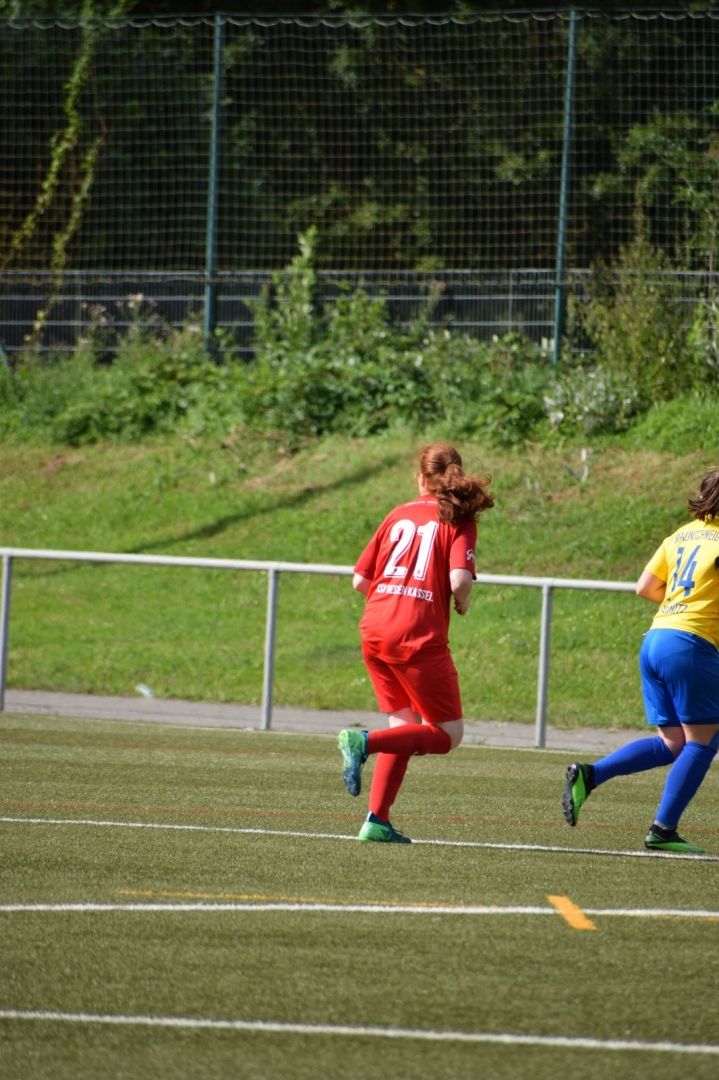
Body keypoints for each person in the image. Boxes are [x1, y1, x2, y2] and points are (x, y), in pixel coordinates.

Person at [338, 442, 494, 843]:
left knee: (404, 728)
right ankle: (363, 741)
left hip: (374, 628)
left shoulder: (398, 513)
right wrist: (462, 601)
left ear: (421, 479)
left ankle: (376, 820)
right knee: (448, 735)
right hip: (415, 635)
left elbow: (359, 580)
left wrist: (394, 594)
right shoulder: (458, 518)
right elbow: (459, 579)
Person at [563, 467, 719, 854]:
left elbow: (644, 587)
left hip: (656, 639)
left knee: (673, 742)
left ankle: (590, 775)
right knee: (702, 741)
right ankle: (663, 830)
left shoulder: (681, 534)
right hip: (689, 644)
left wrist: (682, 606)